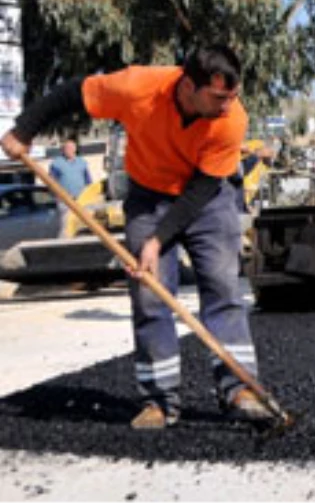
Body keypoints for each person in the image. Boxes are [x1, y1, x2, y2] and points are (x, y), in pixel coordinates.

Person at [0, 46, 272, 428]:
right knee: (149, 293)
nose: (229, 105)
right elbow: (73, 92)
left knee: (223, 286)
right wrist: (22, 130)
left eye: (233, 95)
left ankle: (240, 388)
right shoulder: (136, 87)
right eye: (219, 97)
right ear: (189, 86)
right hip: (148, 195)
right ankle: (160, 401)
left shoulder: (230, 120)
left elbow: (201, 192)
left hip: (207, 197)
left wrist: (157, 240)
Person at [49, 138, 92, 227]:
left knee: (83, 223)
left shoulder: (82, 162)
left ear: (75, 149)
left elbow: (88, 180)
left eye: (72, 148)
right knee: (66, 224)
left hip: (81, 199)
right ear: (63, 150)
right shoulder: (56, 163)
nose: (70, 150)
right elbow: (51, 181)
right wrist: (56, 195)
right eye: (67, 148)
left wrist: (90, 194)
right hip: (64, 201)